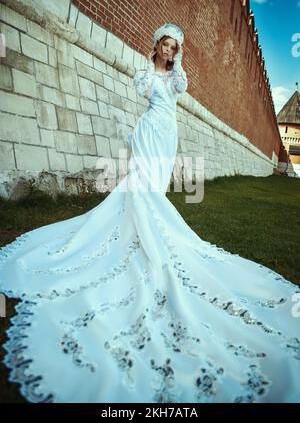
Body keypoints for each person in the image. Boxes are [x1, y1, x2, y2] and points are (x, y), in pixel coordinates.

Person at [0, 23, 299, 404]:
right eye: (166, 45)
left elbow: (180, 89)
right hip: (146, 133)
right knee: (138, 186)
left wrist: (176, 68)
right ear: (157, 45)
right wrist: (152, 69)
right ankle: (130, 233)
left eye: (175, 47)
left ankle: (145, 234)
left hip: (167, 135)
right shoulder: (145, 74)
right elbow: (143, 89)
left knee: (151, 189)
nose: (170, 51)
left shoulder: (177, 76)